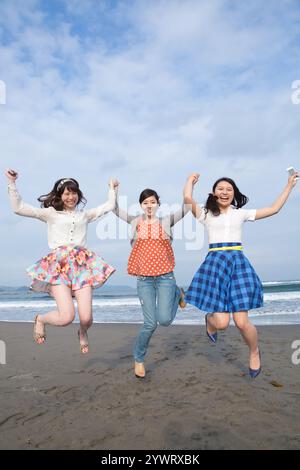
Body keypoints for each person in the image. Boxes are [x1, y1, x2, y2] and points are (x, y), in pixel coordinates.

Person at [184, 171, 299, 378]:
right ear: (214, 193)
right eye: (221, 188)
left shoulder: (240, 213)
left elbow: (273, 209)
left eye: (229, 189)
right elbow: (186, 199)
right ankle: (210, 321)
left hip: (237, 264)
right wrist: (190, 182)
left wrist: (289, 186)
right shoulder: (205, 213)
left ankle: (254, 352)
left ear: (234, 193)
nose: (225, 192)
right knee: (221, 323)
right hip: (215, 264)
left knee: (241, 321)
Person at [5, 168, 118, 354]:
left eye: (74, 193)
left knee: (87, 318)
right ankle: (40, 319)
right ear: (60, 195)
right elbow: (19, 208)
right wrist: (12, 183)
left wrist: (112, 189)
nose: (71, 197)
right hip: (59, 266)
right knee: (66, 317)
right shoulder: (51, 214)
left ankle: (82, 332)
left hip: (82, 266)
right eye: (67, 193)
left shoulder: (84, 215)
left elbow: (108, 206)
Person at [113, 182, 189, 378]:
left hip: (165, 277)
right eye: (145, 202)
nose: (149, 205)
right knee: (150, 324)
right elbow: (113, 208)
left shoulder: (166, 221)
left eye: (153, 202)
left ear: (158, 205)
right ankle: (139, 359)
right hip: (144, 279)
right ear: (140, 205)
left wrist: (189, 184)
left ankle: (177, 292)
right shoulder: (134, 221)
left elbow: (187, 207)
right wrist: (114, 189)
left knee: (164, 320)